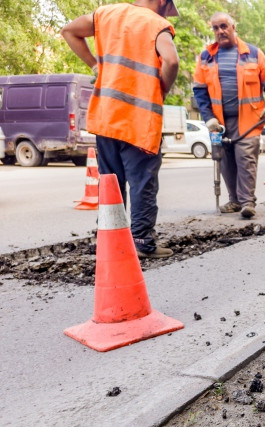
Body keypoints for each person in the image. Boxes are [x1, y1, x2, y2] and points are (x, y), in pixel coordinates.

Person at [61, 0, 180, 258]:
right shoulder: (157, 24)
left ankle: (110, 242)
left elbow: (69, 31)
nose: (165, 12)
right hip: (140, 119)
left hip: (107, 116)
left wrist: (95, 65)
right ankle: (141, 242)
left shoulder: (106, 14)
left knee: (110, 183)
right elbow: (171, 60)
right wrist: (163, 89)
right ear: (161, 1)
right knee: (142, 183)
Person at [193, 12, 265, 219]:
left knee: (245, 160)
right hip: (220, 123)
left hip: (249, 120)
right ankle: (234, 200)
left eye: (224, 26)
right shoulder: (206, 57)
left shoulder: (253, 53)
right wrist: (208, 118)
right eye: (215, 28)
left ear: (233, 27)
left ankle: (247, 202)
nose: (220, 31)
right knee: (225, 162)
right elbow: (199, 91)